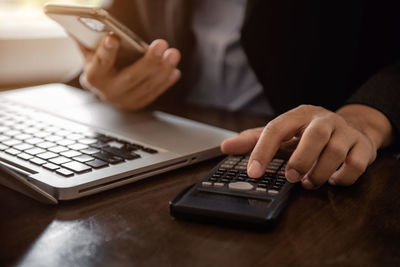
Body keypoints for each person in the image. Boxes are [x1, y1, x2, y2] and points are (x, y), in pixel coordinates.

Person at [73, 0, 399, 190]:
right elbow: (116, 37)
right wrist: (104, 80)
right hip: (167, 144)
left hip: (306, 165)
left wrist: (363, 117)